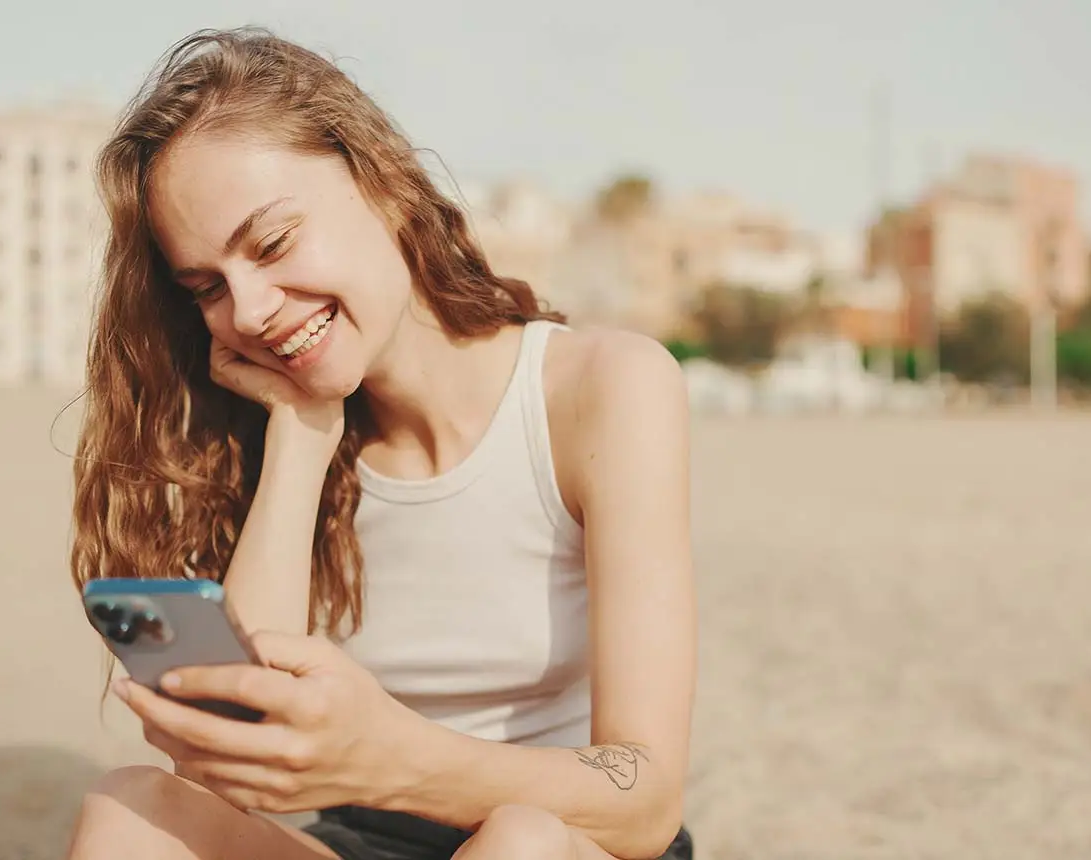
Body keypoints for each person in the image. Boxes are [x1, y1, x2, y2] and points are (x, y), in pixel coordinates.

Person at [65, 26, 697, 860]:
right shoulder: (277, 426)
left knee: (520, 844)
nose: (249, 313)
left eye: (274, 243)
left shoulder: (602, 389)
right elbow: (238, 761)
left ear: (387, 185)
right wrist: (301, 436)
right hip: (362, 840)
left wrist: (393, 759)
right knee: (129, 811)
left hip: (574, 839)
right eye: (208, 287)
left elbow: (644, 800)